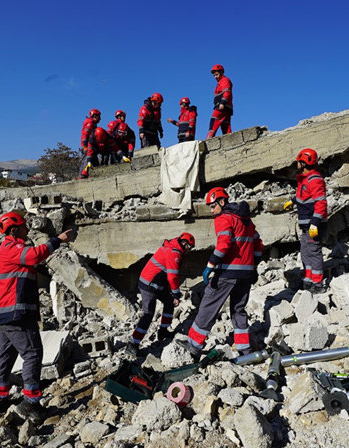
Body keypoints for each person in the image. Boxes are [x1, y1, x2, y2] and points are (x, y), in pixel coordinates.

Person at [0, 210, 74, 420]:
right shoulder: (12, 246)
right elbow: (34, 256)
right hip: (15, 314)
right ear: (14, 229)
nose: (28, 230)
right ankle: (31, 403)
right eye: (24, 226)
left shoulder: (7, 248)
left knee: (6, 353)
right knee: (33, 354)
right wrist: (58, 240)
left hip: (4, 314)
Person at [176, 187, 262, 359]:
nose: (211, 210)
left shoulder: (224, 218)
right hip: (246, 274)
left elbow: (223, 245)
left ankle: (194, 344)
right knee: (238, 310)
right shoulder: (247, 221)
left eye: (213, 205)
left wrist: (210, 265)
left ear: (222, 202)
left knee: (208, 305)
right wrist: (253, 266)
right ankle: (245, 350)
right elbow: (259, 246)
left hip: (228, 273)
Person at [124, 232, 196, 357]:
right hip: (149, 285)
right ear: (184, 244)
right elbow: (172, 277)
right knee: (148, 315)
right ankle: (132, 344)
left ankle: (163, 331)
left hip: (156, 284)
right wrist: (176, 294)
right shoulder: (174, 253)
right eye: (189, 248)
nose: (189, 252)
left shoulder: (172, 247)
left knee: (169, 302)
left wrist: (171, 294)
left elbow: (166, 274)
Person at [283, 148, 328, 293]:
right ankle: (308, 279)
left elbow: (320, 203)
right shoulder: (305, 179)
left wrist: (315, 223)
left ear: (303, 163)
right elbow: (304, 195)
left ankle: (318, 283)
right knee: (305, 251)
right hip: (306, 224)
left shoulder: (314, 180)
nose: (297, 164)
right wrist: (293, 201)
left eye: (298, 161)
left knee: (313, 251)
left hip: (312, 224)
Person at [206, 64, 233, 139]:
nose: (215, 77)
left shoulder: (224, 80)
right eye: (214, 75)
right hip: (227, 107)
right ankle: (230, 140)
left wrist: (222, 102)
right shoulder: (221, 82)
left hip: (222, 106)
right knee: (226, 125)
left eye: (217, 74)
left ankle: (209, 139)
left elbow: (227, 92)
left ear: (221, 72)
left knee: (214, 120)